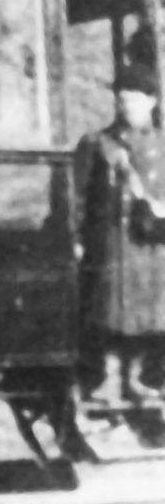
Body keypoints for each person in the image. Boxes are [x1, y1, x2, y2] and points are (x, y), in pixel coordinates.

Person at [75, 62, 165, 404]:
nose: (126, 106)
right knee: (111, 312)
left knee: (148, 314)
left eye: (134, 99)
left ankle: (139, 377)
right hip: (112, 243)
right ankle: (109, 378)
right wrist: (77, 238)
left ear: (152, 101)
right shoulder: (98, 143)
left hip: (152, 243)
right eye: (122, 99)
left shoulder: (163, 145)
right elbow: (77, 195)